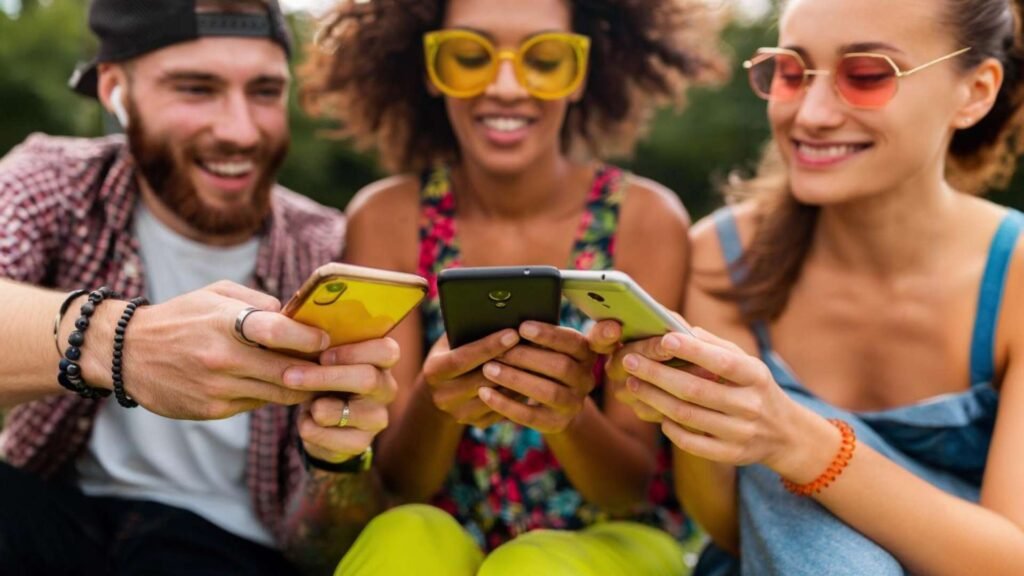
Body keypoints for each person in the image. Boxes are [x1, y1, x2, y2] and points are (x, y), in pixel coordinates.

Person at [590, 0, 1024, 573]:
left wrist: (795, 439)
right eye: (791, 72)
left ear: (975, 91)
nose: (811, 114)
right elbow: (734, 529)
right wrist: (692, 414)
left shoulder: (1013, 274)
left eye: (867, 75)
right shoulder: (723, 257)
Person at [301, 0, 724, 573]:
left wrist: (568, 414)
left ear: (580, 78)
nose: (504, 86)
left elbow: (630, 489)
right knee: (403, 535)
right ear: (431, 72)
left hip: (612, 541)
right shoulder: (386, 217)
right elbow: (400, 483)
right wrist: (435, 397)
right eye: (468, 57)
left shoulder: (645, 219)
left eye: (545, 59)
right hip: (440, 526)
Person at [0, 1, 396, 574]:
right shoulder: (54, 182)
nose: (239, 130)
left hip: (233, 552)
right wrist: (125, 345)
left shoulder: (328, 251)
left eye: (264, 92)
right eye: (195, 89)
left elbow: (325, 552)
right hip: (55, 517)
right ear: (116, 91)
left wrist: (339, 460)